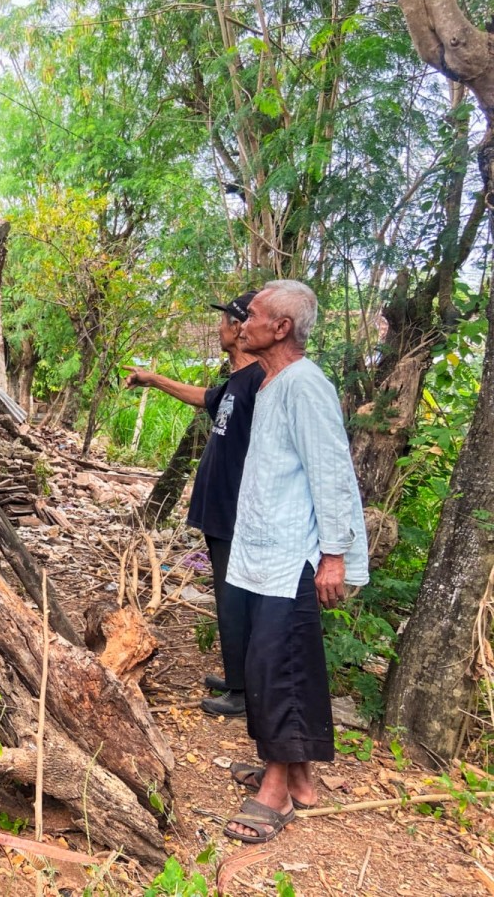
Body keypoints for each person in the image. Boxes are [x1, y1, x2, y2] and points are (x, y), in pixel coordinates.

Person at [221, 280, 368, 844]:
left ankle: (277, 790)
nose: (243, 323)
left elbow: (331, 471)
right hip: (263, 553)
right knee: (267, 662)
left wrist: (335, 554)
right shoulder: (273, 383)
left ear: (280, 328)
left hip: (293, 557)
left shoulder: (306, 385)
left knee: (278, 667)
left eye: (252, 315)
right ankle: (301, 778)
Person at [126, 292, 264, 717]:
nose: (219, 326)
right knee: (227, 595)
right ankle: (238, 675)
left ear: (240, 328)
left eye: (225, 319)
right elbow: (203, 396)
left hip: (238, 513)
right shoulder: (237, 381)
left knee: (236, 596)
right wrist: (153, 379)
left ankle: (243, 692)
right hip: (219, 510)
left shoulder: (261, 381)